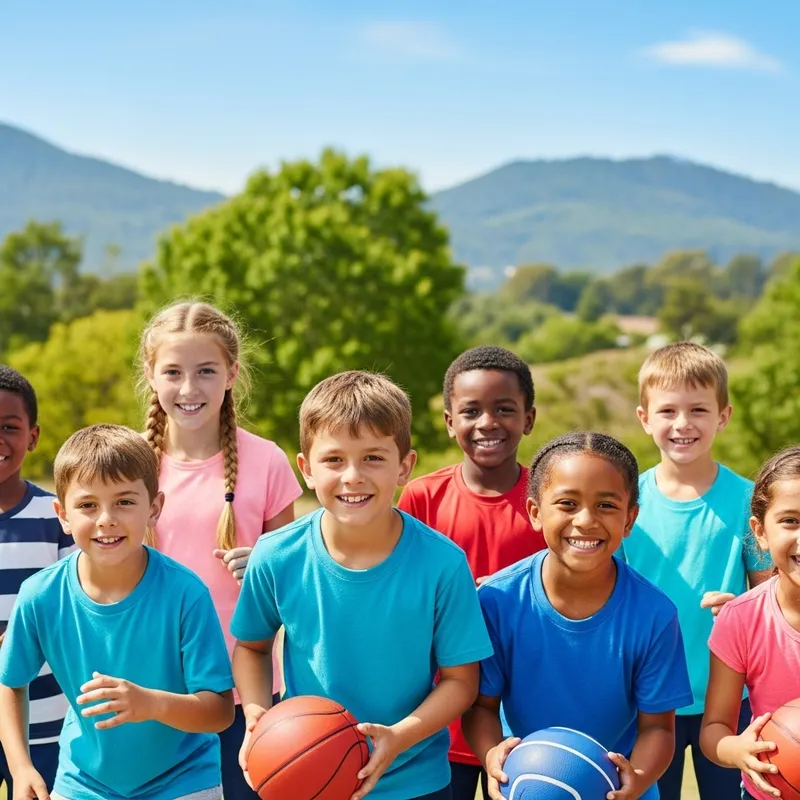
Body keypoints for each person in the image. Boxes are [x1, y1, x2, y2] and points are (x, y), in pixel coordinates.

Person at [231, 371, 493, 800]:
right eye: (334, 460)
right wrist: (259, 715)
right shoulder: (276, 555)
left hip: (415, 782)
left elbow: (461, 681)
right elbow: (252, 647)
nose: (352, 476)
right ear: (306, 469)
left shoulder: (442, 563)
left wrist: (398, 737)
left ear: (405, 466)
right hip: (306, 775)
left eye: (373, 457)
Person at [0, 424, 234, 800]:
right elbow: (10, 682)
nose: (106, 518)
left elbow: (220, 711)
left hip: (184, 781)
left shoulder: (186, 594)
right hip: (83, 783)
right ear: (62, 514)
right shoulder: (40, 595)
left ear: (154, 508)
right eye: (88, 505)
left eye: (124, 501)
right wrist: (20, 766)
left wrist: (150, 703)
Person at [463, 432, 693, 800]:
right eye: (567, 503)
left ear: (630, 518)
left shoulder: (654, 614)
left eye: (606, 505)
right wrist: (493, 754)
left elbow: (659, 729)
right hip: (527, 786)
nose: (585, 520)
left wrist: (637, 777)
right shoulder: (497, 601)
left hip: (621, 791)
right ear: (536, 513)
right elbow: (480, 708)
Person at [139, 301, 303, 800]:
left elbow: (293, 585)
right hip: (155, 688)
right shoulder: (132, 462)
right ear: (151, 374)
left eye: (206, 371)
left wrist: (265, 568)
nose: (189, 389)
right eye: (173, 372)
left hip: (245, 697)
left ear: (231, 373)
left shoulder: (267, 460)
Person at [622, 342, 772, 800]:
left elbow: (771, 599)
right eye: (668, 410)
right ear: (645, 418)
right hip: (645, 702)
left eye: (699, 410)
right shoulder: (625, 502)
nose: (683, 423)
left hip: (729, 703)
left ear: (723, 417)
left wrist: (743, 609)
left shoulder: (749, 500)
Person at [397, 345, 545, 800]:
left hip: (527, 715)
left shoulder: (551, 500)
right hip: (440, 716)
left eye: (504, 409)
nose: (487, 423)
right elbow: (400, 590)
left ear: (529, 418)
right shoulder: (421, 498)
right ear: (448, 421)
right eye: (471, 411)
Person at [701, 446, 800, 800]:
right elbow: (714, 729)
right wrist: (738, 750)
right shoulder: (740, 619)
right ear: (760, 531)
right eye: (791, 521)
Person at [0, 366, 75, 799]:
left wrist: (21, 640)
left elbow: (74, 607)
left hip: (46, 723)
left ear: (33, 436)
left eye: (10, 427)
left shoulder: (59, 518)